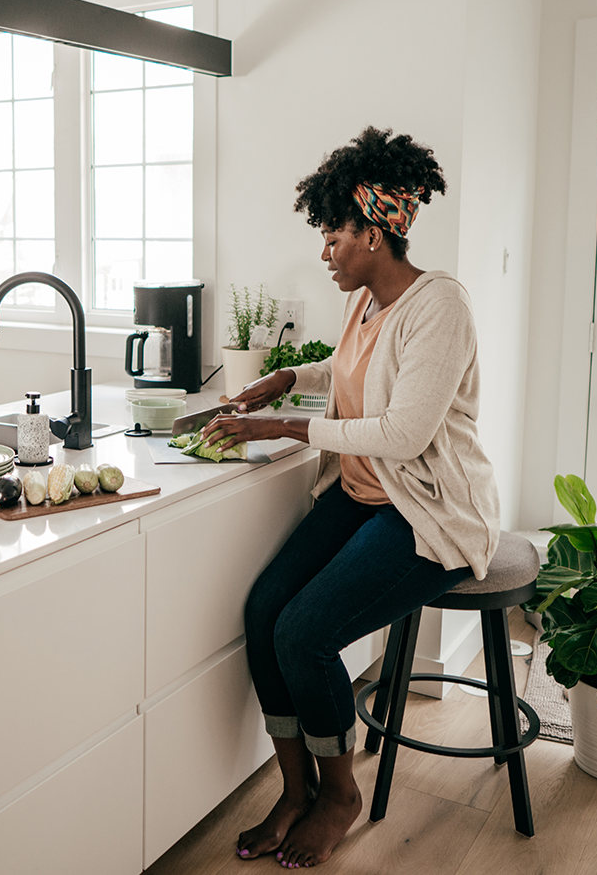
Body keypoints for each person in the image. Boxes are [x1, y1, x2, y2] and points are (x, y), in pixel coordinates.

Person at [200, 126, 501, 869]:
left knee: (303, 631)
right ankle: (294, 786)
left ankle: (339, 791)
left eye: (335, 232)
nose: (325, 248)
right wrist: (282, 377)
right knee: (264, 609)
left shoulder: (441, 307)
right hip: (364, 498)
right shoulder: (365, 302)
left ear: (375, 230)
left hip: (426, 511)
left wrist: (280, 422)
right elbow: (348, 368)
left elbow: (402, 431)